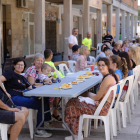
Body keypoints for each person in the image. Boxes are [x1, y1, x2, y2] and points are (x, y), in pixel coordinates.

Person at [65, 57, 118, 140]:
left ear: (108, 66)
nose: (100, 67)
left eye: (103, 65)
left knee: (72, 104)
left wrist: (84, 100)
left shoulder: (108, 79)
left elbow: (97, 97)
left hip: (102, 108)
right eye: (99, 65)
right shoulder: (107, 77)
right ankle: (76, 129)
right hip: (103, 104)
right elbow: (100, 97)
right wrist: (85, 98)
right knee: (78, 98)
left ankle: (76, 134)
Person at [0, 57, 52, 138]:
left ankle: (45, 122)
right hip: (14, 98)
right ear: (14, 65)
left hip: (22, 97)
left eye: (22, 65)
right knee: (41, 104)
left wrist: (45, 83)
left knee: (44, 99)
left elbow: (31, 87)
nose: (20, 67)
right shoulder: (10, 73)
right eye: (18, 65)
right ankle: (39, 129)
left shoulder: (22, 77)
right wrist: (6, 92)